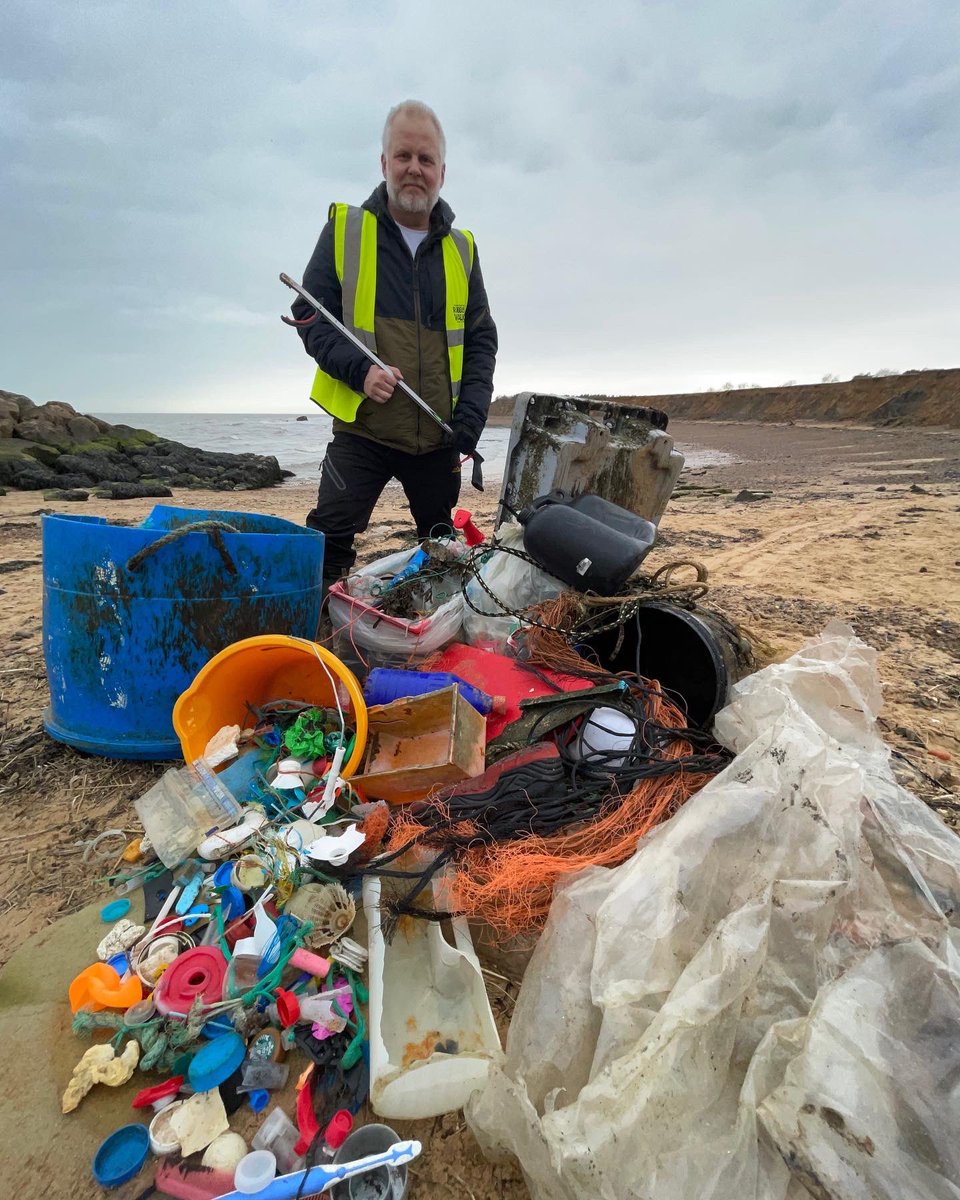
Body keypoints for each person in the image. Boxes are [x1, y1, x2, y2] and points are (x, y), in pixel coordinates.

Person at [291, 100, 498, 601]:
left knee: (440, 547)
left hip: (436, 440)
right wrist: (360, 371)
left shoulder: (463, 249)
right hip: (363, 429)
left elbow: (481, 341)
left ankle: (436, 632)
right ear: (384, 163)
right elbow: (309, 316)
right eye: (403, 156)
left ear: (442, 173)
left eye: (426, 160)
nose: (414, 169)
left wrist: (469, 420)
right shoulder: (345, 229)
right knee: (329, 537)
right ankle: (315, 635)